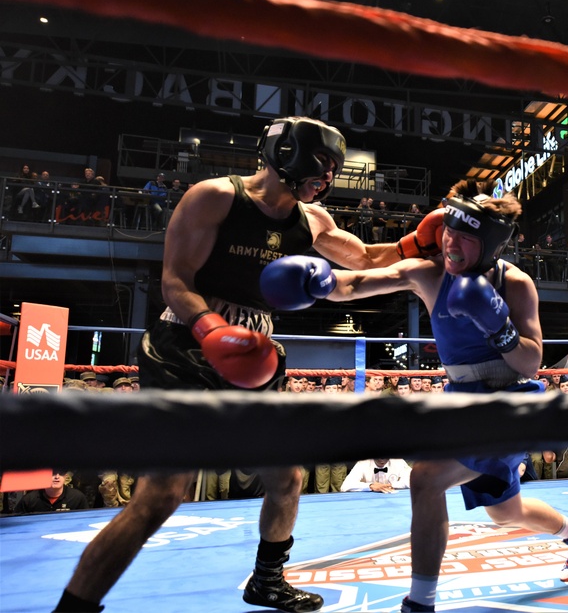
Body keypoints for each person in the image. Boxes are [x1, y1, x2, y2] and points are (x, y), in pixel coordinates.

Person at [53, 117, 427, 613]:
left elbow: (359, 263)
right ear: (287, 153)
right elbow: (175, 280)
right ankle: (74, 607)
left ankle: (267, 580)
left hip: (257, 355)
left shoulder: (312, 220)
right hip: (185, 347)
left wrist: (422, 249)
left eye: (332, 169)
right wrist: (212, 328)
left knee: (285, 476)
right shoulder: (213, 197)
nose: (327, 177)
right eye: (323, 165)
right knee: (162, 495)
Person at [261, 179, 568, 612]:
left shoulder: (515, 284)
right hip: (461, 399)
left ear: (492, 246)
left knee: (425, 479)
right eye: (448, 231)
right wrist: (318, 282)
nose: (451, 244)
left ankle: (420, 603)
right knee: (505, 511)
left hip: (509, 402)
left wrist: (498, 327)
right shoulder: (428, 273)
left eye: (465, 237)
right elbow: (358, 283)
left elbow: (531, 363)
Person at [13, 471, 90, 514]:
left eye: (61, 474)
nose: (57, 476)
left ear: (66, 477)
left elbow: (86, 521)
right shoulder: (29, 500)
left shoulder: (77, 497)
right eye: (52, 473)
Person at [341, 458, 412, 492]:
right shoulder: (363, 463)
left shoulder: (398, 461)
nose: (382, 460)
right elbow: (345, 486)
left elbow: (414, 481)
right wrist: (370, 486)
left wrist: (391, 485)